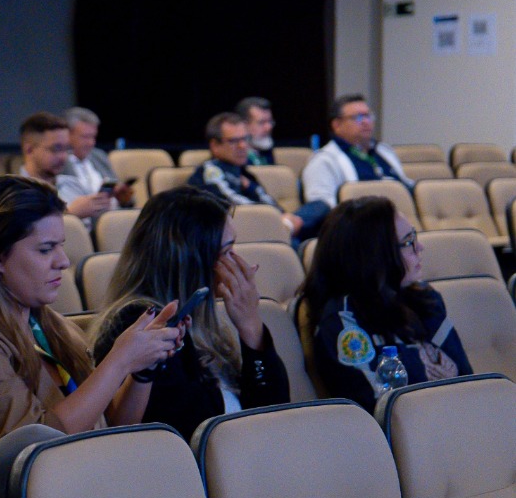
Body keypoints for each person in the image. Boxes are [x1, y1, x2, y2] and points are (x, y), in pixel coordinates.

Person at [0, 175, 180, 465]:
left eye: (60, 246)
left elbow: (110, 427)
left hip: (79, 484)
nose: (62, 261)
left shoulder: (49, 324)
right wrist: (119, 361)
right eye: (46, 249)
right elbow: (38, 449)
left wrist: (142, 370)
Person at [91, 187, 289, 441]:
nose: (236, 261)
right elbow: (196, 430)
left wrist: (252, 329)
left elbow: (277, 410)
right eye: (227, 251)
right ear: (192, 259)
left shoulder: (202, 320)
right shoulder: (143, 324)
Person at [298, 196, 471, 411]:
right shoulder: (343, 323)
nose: (420, 247)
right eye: (408, 242)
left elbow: (468, 381)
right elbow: (384, 413)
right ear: (374, 256)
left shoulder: (426, 299)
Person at [189, 112, 328, 240]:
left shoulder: (242, 171)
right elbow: (234, 204)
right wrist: (277, 218)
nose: (243, 146)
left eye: (245, 139)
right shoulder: (210, 171)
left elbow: (265, 199)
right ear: (215, 145)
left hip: (264, 227)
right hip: (236, 234)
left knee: (320, 207)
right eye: (234, 141)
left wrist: (284, 217)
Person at [301, 94, 412, 210]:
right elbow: (322, 206)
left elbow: (406, 187)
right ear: (337, 125)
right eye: (358, 117)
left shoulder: (384, 151)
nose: (365, 122)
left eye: (368, 116)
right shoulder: (323, 160)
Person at [17, 111, 114, 222]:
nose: (63, 157)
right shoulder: (15, 193)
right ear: (29, 150)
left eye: (67, 148)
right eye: (56, 149)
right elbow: (28, 233)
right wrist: (69, 213)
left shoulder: (72, 184)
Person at [62, 107, 134, 206]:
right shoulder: (60, 163)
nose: (91, 143)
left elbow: (126, 199)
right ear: (67, 135)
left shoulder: (99, 156)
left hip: (112, 215)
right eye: (85, 137)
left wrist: (122, 196)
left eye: (93, 137)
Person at [234, 96, 277, 165]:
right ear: (244, 125)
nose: (268, 127)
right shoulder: (233, 158)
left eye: (270, 121)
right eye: (262, 122)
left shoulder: (266, 152)